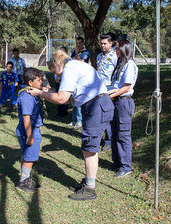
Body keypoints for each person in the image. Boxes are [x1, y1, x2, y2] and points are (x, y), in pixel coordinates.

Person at [28, 50, 114, 200]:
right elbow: (68, 98)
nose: (56, 76)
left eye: (54, 71)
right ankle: (88, 182)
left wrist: (40, 94)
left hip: (96, 106)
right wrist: (49, 92)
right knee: (88, 147)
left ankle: (90, 189)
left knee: (89, 149)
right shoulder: (75, 65)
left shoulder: (69, 69)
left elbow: (61, 99)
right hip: (96, 105)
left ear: (57, 63)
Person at [107, 39, 138, 178]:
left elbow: (126, 86)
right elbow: (115, 84)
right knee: (114, 133)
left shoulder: (130, 65)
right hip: (116, 101)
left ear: (124, 49)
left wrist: (111, 95)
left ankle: (126, 167)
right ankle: (117, 162)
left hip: (123, 103)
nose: (115, 50)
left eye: (117, 48)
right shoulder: (121, 64)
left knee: (123, 135)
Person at [16, 67, 44, 193]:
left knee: (26, 155)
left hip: (30, 130)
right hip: (29, 130)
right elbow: (26, 118)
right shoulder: (27, 96)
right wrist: (30, 136)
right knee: (29, 157)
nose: (41, 82)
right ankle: (23, 182)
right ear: (30, 82)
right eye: (39, 80)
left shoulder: (30, 92)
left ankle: (25, 178)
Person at [97, 34, 118, 152]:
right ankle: (101, 137)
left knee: (107, 116)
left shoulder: (115, 55)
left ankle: (109, 140)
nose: (102, 45)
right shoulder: (99, 56)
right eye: (101, 43)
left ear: (111, 43)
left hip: (109, 89)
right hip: (99, 89)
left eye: (105, 43)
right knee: (100, 115)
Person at [69, 36, 90, 130]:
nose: (78, 45)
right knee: (73, 99)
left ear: (83, 43)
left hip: (81, 79)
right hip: (74, 78)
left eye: (80, 43)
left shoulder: (86, 53)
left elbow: (82, 63)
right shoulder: (74, 52)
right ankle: (74, 120)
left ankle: (79, 121)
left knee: (78, 99)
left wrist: (77, 53)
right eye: (77, 43)